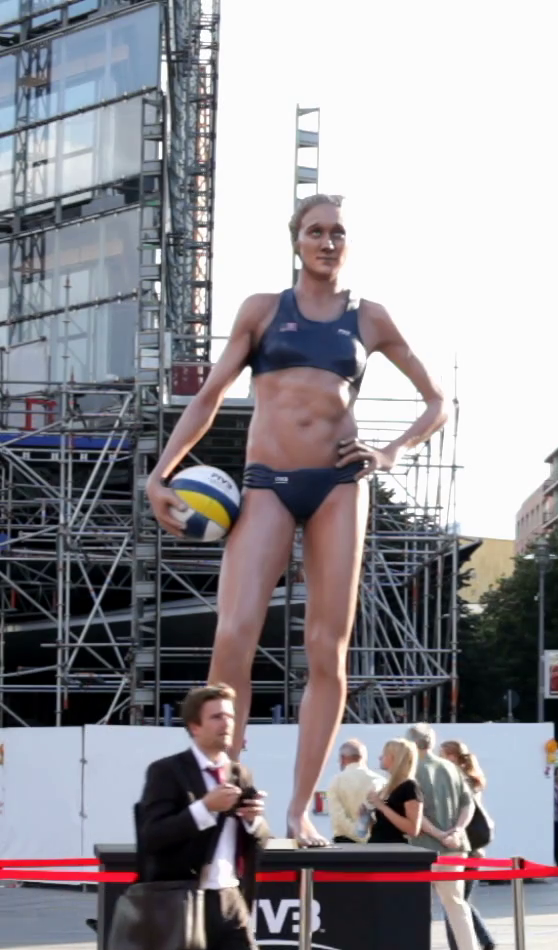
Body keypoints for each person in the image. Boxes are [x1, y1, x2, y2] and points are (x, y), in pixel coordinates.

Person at [144, 194, 447, 847]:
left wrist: (391, 451)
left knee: (325, 650)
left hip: (340, 483)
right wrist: (161, 471)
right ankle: (226, 780)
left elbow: (436, 402)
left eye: (339, 232)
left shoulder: (370, 317)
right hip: (267, 482)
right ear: (296, 241)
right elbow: (212, 392)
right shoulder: (262, 310)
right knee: (234, 632)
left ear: (348, 243)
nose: (328, 241)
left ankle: (297, 810)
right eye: (316, 231)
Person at [131, 685, 272, 950]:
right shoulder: (167, 771)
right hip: (184, 903)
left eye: (230, 716)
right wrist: (203, 809)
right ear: (194, 725)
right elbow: (153, 835)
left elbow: (258, 838)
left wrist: (253, 820)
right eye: (217, 717)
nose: (227, 724)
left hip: (231, 903)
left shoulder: (240, 772)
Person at [406, 724, 480, 950]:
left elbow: (415, 814)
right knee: (457, 905)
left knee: (416, 908)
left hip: (422, 848)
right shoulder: (451, 768)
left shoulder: (410, 771)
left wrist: (438, 834)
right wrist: (456, 831)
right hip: (455, 847)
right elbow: (467, 804)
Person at [438, 739, 494, 950]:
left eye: (441, 754)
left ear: (451, 756)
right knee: (457, 900)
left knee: (454, 902)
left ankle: (479, 944)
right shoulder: (472, 779)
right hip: (474, 848)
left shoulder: (458, 780)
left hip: (463, 847)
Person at [325, 738, 383, 844]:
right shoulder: (381, 780)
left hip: (346, 844)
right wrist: (367, 837)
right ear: (364, 758)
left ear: (342, 758)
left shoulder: (337, 781)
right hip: (376, 843)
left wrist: (360, 835)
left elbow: (338, 817)